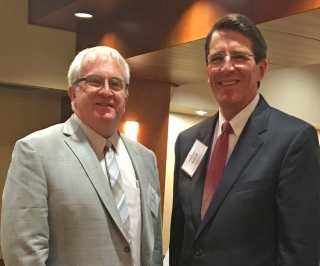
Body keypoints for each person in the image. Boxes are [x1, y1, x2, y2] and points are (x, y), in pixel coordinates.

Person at [169, 13, 320, 266]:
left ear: (261, 68)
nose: (226, 67)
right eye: (216, 58)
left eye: (239, 56)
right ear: (208, 71)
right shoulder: (188, 141)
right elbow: (181, 234)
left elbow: (299, 251)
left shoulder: (294, 140)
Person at [1, 46, 163, 266]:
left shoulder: (146, 159)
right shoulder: (35, 152)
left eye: (115, 84)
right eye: (95, 81)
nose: (106, 91)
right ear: (73, 93)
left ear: (125, 96)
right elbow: (24, 255)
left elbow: (153, 245)